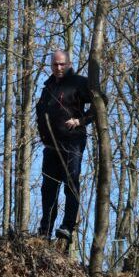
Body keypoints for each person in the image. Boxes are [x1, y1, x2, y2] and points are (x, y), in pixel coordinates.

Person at [35, 49, 95, 247]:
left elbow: (99, 103)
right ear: (51, 65)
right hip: (51, 146)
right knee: (48, 188)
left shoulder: (79, 82)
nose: (58, 68)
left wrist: (81, 121)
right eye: (55, 64)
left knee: (71, 181)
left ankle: (67, 226)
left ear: (69, 64)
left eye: (62, 64)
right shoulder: (48, 86)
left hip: (72, 142)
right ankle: (45, 230)